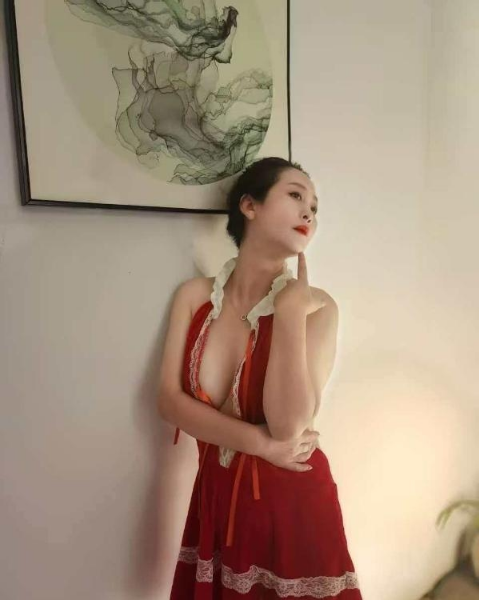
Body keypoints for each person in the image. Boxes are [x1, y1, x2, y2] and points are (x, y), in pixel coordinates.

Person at [158, 157, 363, 599]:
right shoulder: (194, 297)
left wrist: (288, 315)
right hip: (213, 500)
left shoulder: (317, 307)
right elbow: (169, 402)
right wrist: (260, 444)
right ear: (249, 206)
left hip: (292, 508)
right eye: (295, 195)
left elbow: (288, 427)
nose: (309, 212)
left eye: (314, 207)